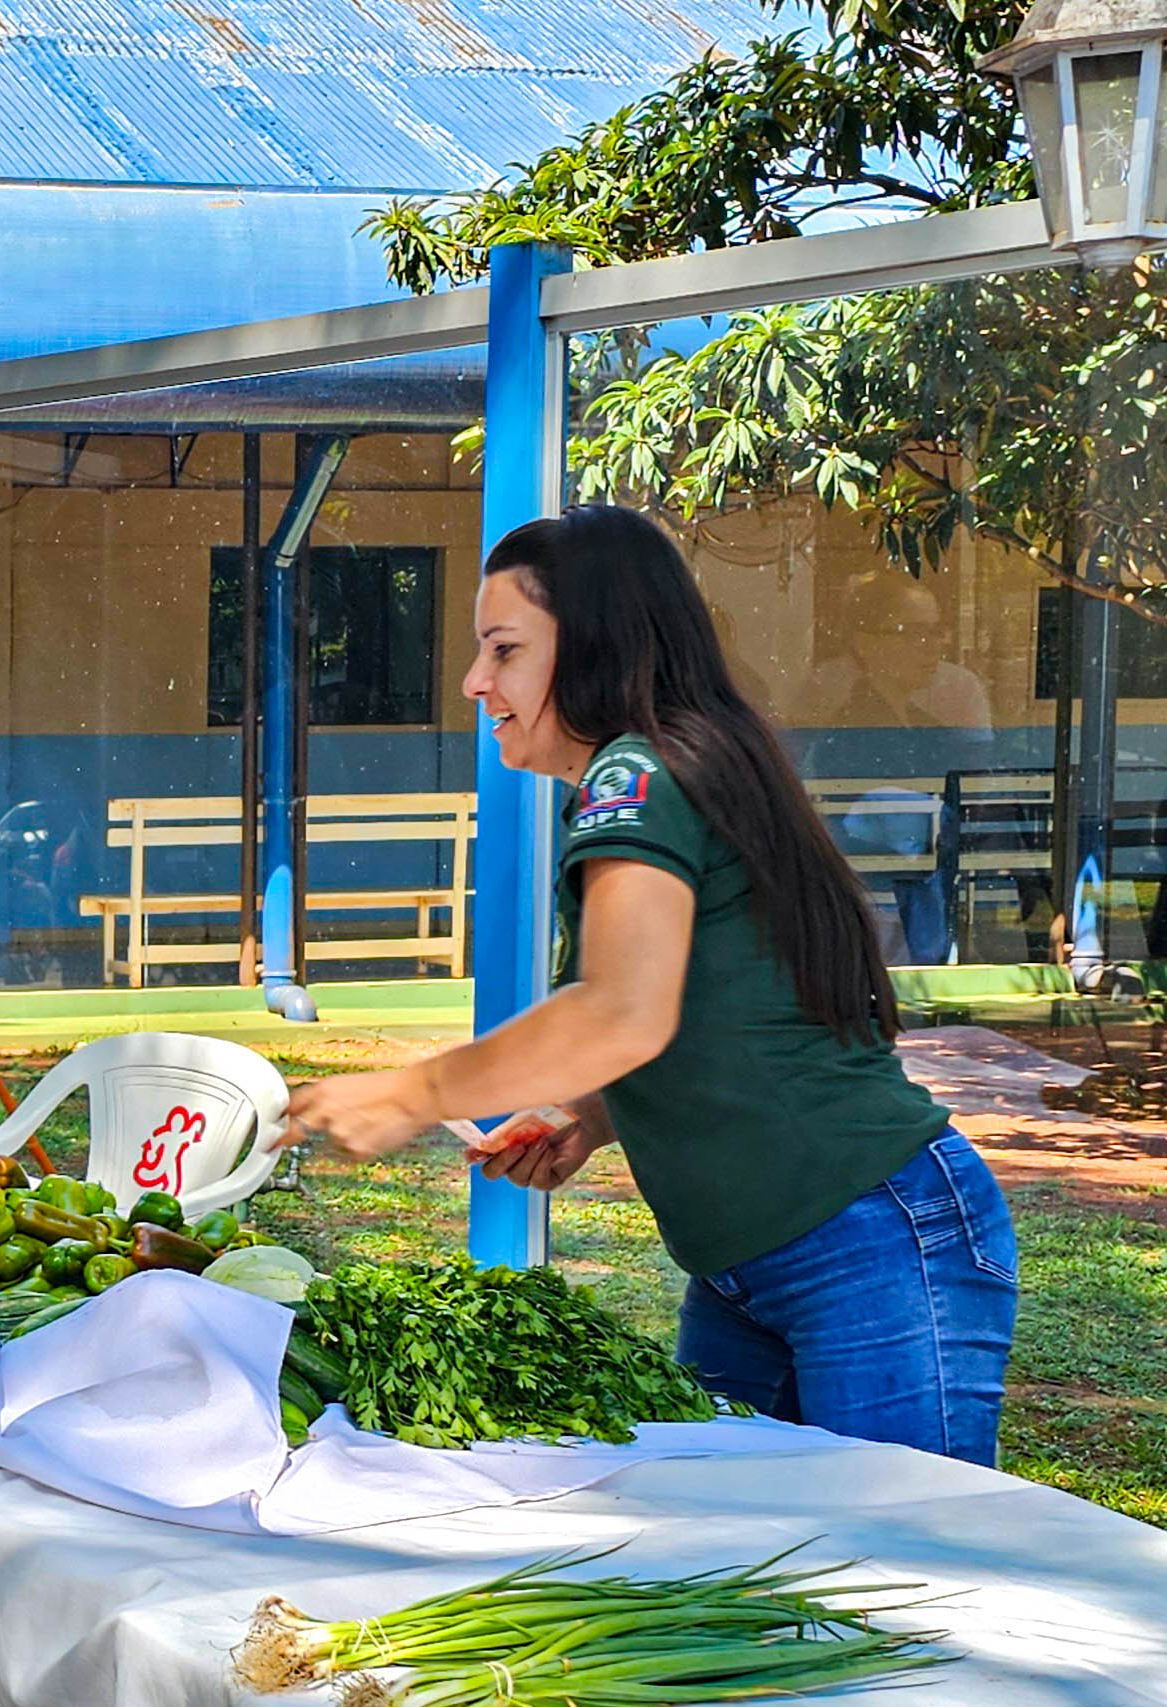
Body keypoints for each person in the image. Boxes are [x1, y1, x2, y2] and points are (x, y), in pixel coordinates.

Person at [283, 504, 1015, 1461]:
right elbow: (717, 999)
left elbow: (620, 1010)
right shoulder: (688, 752)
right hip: (756, 1267)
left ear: (589, 646)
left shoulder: (636, 771)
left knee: (902, 1578)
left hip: (868, 1244)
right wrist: (592, 1112)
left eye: (503, 650)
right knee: (741, 1574)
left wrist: (410, 1093)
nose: (474, 681)